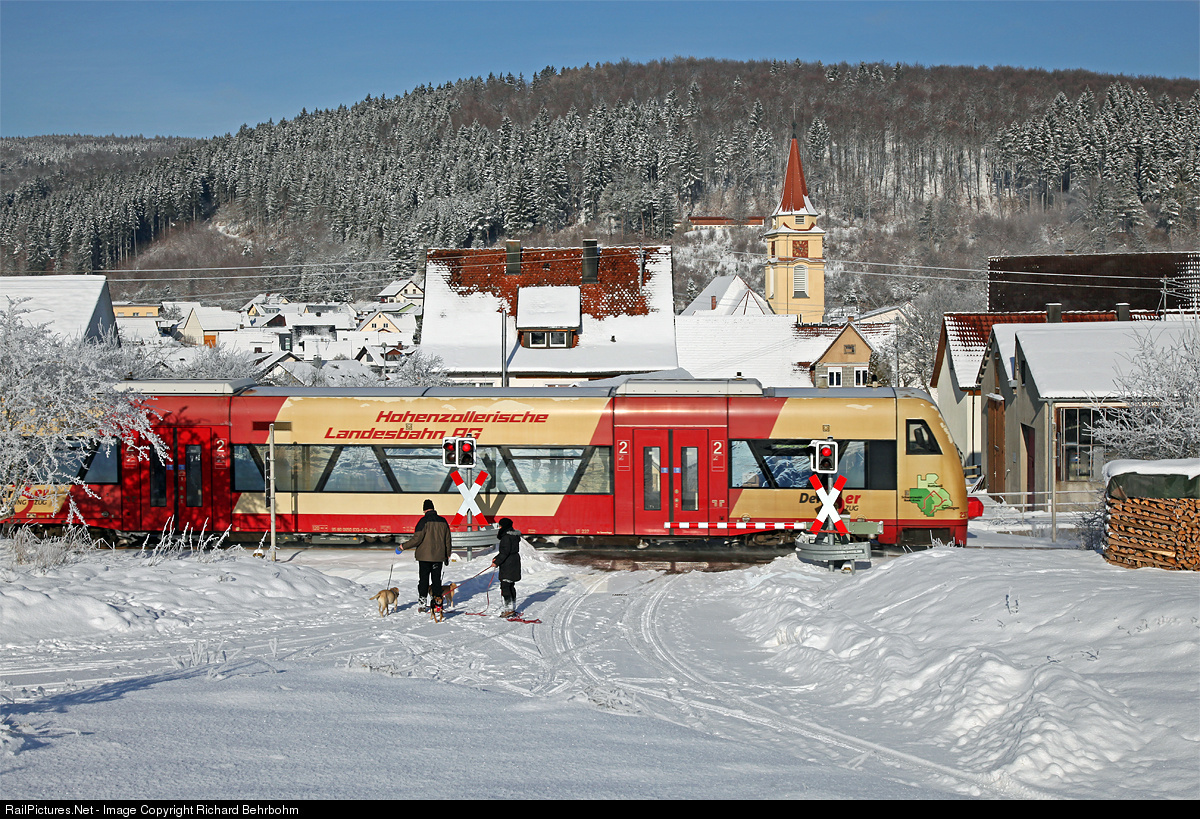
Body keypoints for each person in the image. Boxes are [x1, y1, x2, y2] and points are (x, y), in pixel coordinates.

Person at [397, 499, 452, 611]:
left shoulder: (423, 521)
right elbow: (448, 540)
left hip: (424, 557)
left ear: (424, 510)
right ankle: (437, 603)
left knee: (424, 580)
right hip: (438, 557)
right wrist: (447, 555)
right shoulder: (443, 521)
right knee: (436, 580)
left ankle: (422, 603)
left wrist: (402, 547)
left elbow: (416, 539)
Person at [492, 517, 522, 617]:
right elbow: (507, 551)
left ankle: (509, 610)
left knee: (505, 587)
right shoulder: (514, 536)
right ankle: (512, 608)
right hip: (514, 562)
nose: (499, 527)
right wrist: (496, 558)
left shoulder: (506, 537)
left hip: (508, 564)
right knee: (511, 586)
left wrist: (497, 562)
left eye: (500, 526)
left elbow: (504, 552)